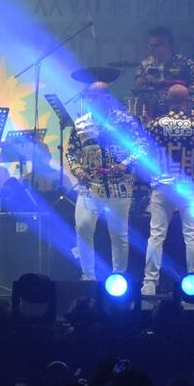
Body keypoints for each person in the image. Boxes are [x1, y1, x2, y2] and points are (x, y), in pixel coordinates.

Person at [66, 81, 147, 282]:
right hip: (90, 185)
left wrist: (124, 165)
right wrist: (78, 170)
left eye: (94, 96)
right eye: (88, 97)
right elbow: (71, 152)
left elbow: (142, 147)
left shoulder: (125, 121)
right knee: (83, 227)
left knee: (118, 234)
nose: (90, 100)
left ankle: (118, 276)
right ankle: (88, 276)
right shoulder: (81, 123)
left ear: (107, 98)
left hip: (119, 185)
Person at [141, 85, 194, 296]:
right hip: (189, 185)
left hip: (163, 185)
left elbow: (144, 152)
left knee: (156, 235)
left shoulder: (155, 125)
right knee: (192, 235)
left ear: (168, 100)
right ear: (187, 101)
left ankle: (149, 283)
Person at [133, 26, 194, 119]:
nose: (151, 49)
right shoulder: (145, 65)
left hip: (180, 116)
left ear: (168, 44)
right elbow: (137, 92)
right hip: (152, 115)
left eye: (155, 46)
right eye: (150, 46)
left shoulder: (185, 64)